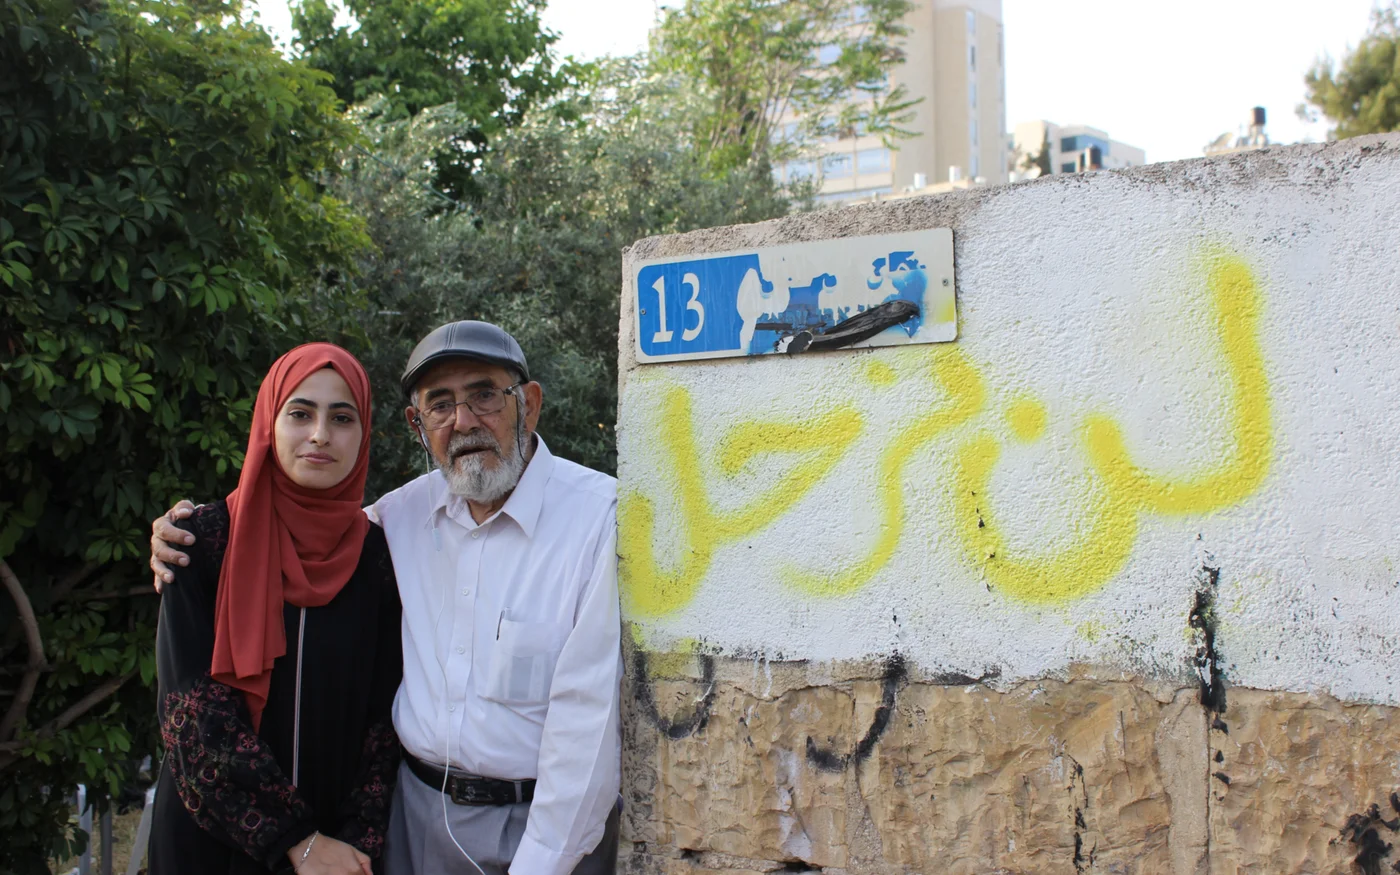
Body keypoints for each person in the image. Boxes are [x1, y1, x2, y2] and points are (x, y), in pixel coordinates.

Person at [150, 321, 622, 875]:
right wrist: (184, 529)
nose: (464, 421)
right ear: (417, 426)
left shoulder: (599, 519)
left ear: (530, 404)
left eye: (485, 395)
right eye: (439, 405)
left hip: (543, 835)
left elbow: (586, 722)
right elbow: (192, 715)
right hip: (396, 828)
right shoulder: (387, 524)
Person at [148, 344, 402, 875]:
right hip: (213, 846)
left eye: (342, 417)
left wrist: (356, 837)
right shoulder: (201, 542)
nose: (320, 435)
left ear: (364, 434)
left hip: (338, 851)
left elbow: (386, 715)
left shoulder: (379, 558)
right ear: (269, 421)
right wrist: (297, 841)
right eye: (300, 413)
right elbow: (191, 718)